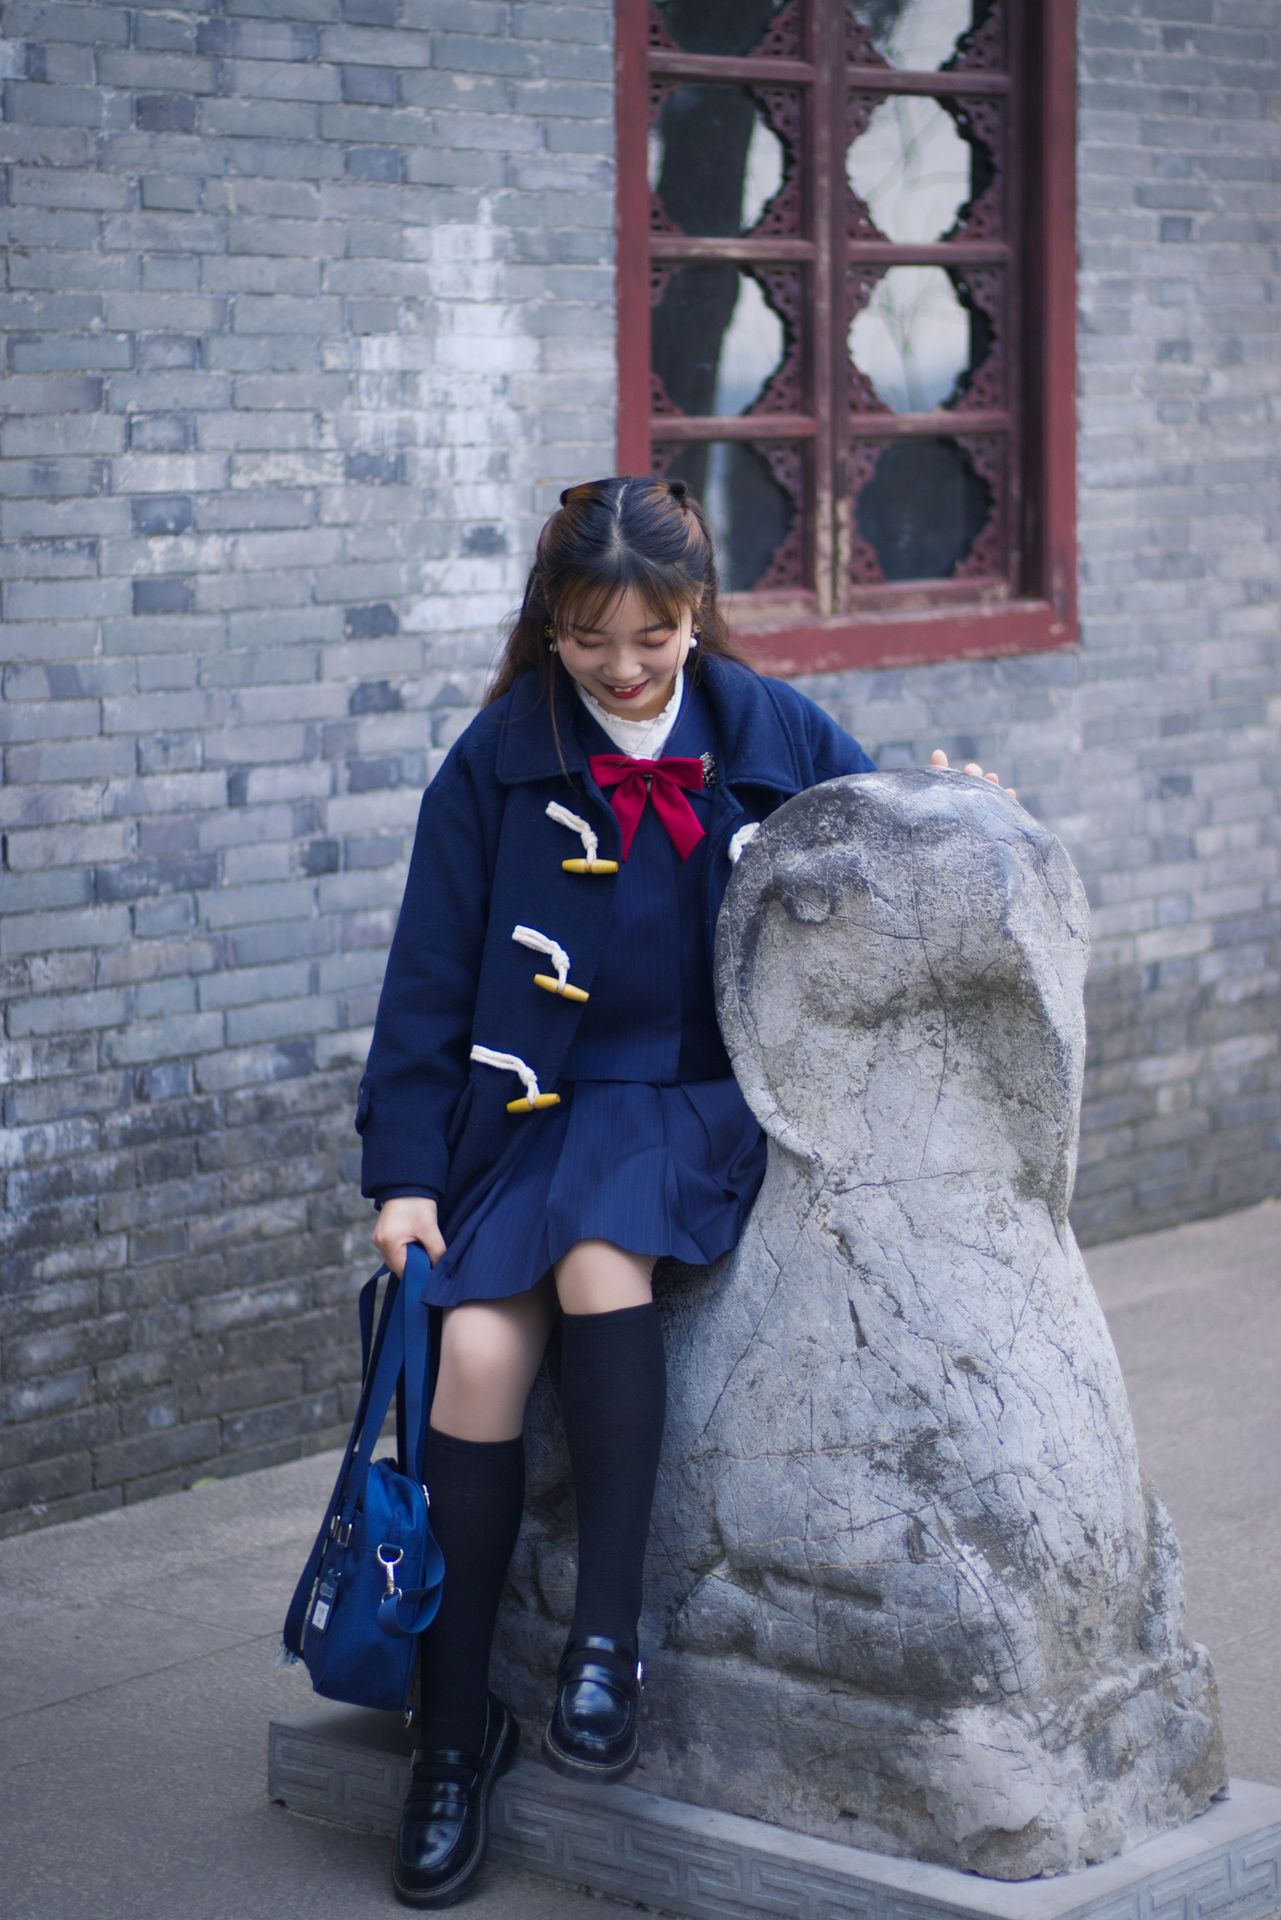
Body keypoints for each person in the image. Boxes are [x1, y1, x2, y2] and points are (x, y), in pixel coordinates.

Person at [355, 475, 1012, 1909]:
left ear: (695, 614)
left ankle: (606, 1640)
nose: (626, 668)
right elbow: (421, 985)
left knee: (601, 1257)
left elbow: (881, 828)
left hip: (687, 1103)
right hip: (526, 1116)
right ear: (554, 627)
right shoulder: (494, 762)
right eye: (594, 641)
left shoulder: (766, 731)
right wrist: (404, 1179)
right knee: (469, 1349)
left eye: (652, 638)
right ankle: (452, 1738)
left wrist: (961, 809)